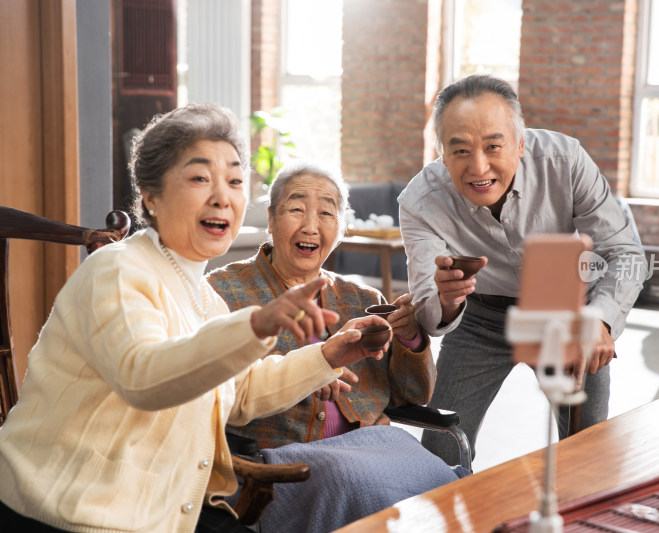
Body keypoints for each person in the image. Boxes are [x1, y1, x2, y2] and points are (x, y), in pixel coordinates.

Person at [0, 104, 388, 533]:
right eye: (201, 178)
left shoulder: (204, 296)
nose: (223, 196)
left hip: (163, 508)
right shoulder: (116, 270)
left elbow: (241, 395)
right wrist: (257, 325)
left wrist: (329, 354)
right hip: (70, 507)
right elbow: (143, 377)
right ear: (151, 195)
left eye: (235, 181)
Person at [399, 74, 646, 466]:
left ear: (520, 143)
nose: (478, 167)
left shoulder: (565, 161)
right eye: (459, 150)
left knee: (587, 448)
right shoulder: (420, 201)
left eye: (493, 146)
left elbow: (625, 251)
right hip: (478, 316)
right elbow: (429, 310)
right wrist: (445, 300)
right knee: (442, 450)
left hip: (566, 310)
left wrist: (600, 321)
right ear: (441, 153)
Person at [207, 161, 467, 533]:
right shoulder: (223, 290)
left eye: (327, 213)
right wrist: (306, 371)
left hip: (376, 447)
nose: (311, 225)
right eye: (296, 209)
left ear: (341, 228)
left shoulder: (362, 297)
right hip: (279, 459)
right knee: (357, 483)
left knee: (448, 490)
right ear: (270, 218)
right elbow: (223, 390)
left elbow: (415, 394)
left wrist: (410, 337)